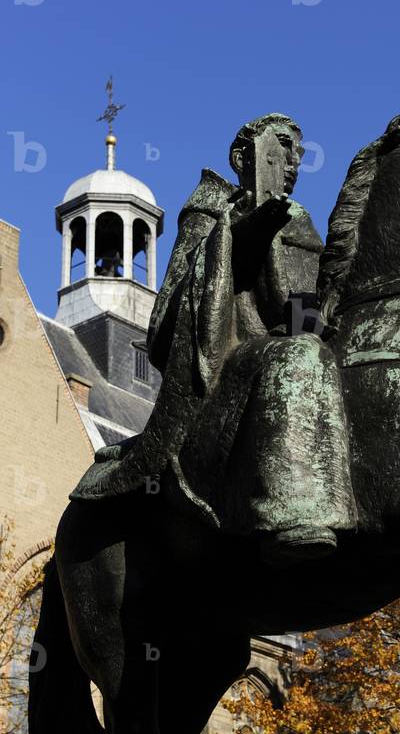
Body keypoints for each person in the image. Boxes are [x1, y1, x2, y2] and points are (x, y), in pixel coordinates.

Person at [71, 114, 356, 564]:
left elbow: (301, 310)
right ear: (245, 156)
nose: (293, 161)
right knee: (299, 360)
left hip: (282, 349)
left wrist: (317, 317)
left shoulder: (298, 222)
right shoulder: (209, 208)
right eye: (281, 146)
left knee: (321, 361)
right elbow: (166, 316)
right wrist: (238, 239)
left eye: (299, 153)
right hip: (232, 362)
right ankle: (295, 511)